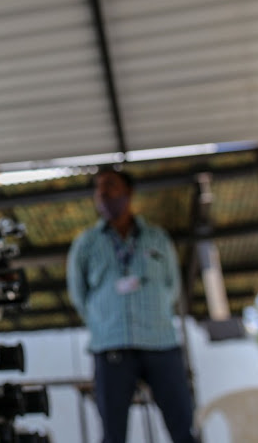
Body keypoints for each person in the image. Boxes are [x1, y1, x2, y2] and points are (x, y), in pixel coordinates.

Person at [66, 168, 197, 443]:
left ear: (128, 193)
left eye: (110, 186)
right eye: (98, 188)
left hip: (160, 342)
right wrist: (104, 321)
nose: (102, 193)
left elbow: (172, 285)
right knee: (113, 434)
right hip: (110, 345)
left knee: (183, 428)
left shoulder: (157, 237)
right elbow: (79, 294)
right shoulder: (86, 243)